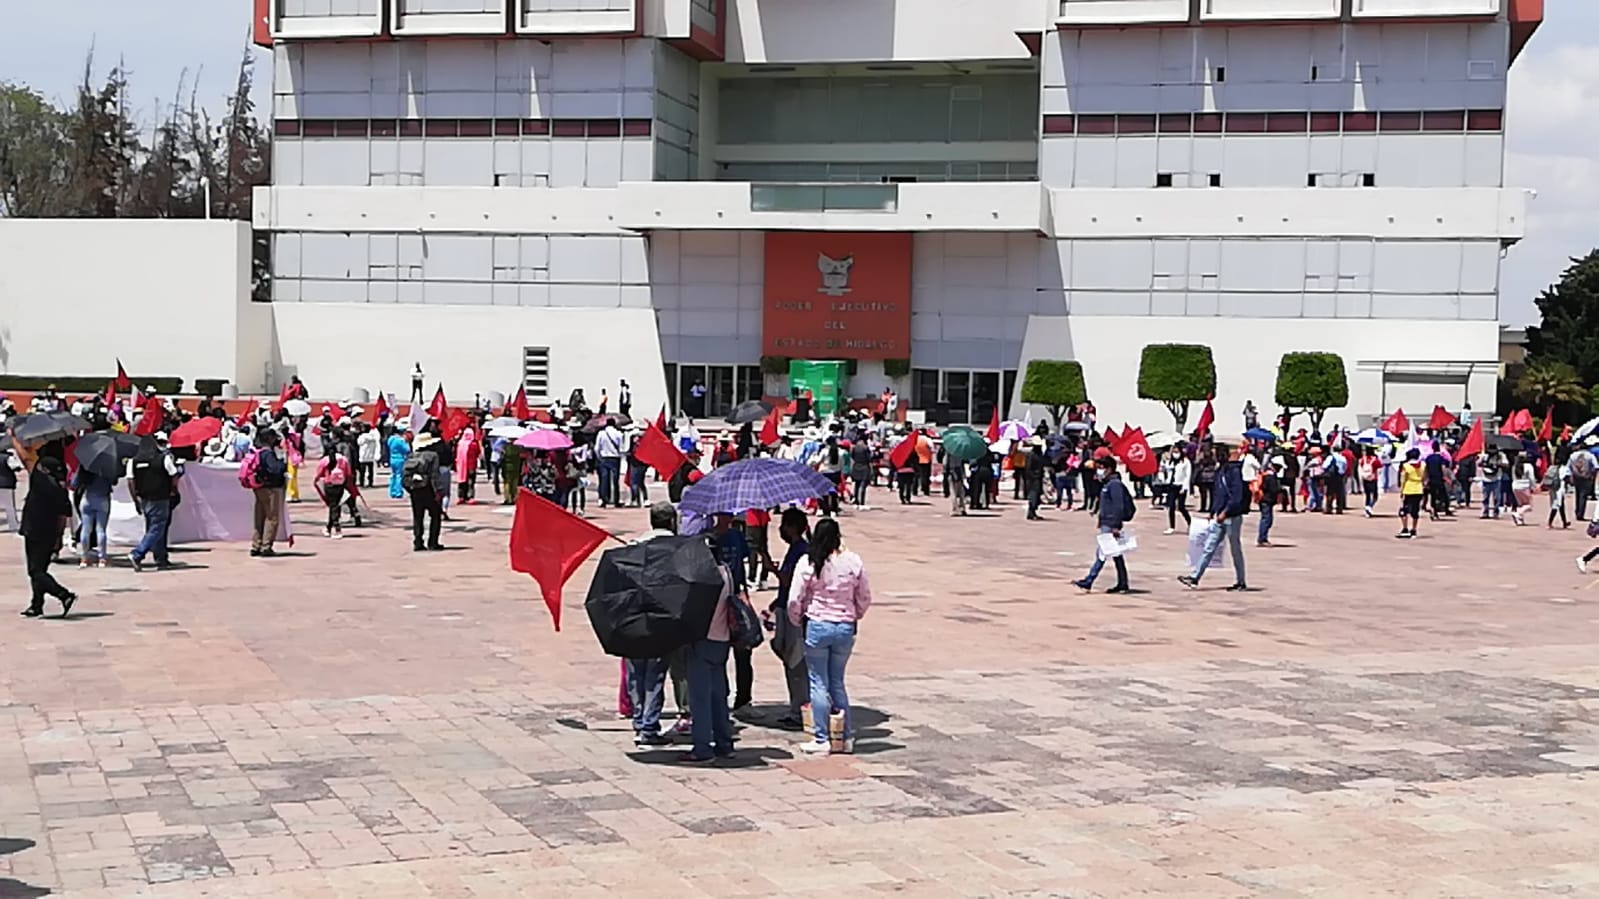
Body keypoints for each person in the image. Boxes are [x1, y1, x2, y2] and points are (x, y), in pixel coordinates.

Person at [789, 518, 872, 755]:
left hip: (818, 624)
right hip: (844, 625)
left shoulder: (809, 562)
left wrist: (797, 619)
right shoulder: (853, 561)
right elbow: (865, 595)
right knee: (837, 681)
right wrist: (855, 614)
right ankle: (844, 737)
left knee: (818, 681)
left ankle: (821, 737)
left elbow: (795, 597)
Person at [625, 503, 681, 747]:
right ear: (671, 522)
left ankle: (640, 722)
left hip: (634, 619)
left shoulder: (633, 548)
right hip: (662, 620)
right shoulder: (678, 549)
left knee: (637, 674)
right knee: (654, 676)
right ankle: (648, 727)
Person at [1179, 444, 1249, 591]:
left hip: (1232, 516)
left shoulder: (1234, 471)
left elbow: (1236, 495)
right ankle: (1194, 577)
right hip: (1219, 517)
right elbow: (1217, 493)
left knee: (1235, 549)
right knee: (1208, 547)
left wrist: (1226, 511)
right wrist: (1213, 511)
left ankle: (1241, 581)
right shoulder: (1220, 471)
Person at [767, 509, 811, 729]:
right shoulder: (796, 549)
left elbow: (788, 580)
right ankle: (797, 707)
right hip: (785, 607)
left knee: (795, 662)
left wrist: (768, 563)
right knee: (788, 657)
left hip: (794, 613)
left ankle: (800, 709)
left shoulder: (800, 552)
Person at [21, 456, 77, 619]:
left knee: (35, 571)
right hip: (49, 534)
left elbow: (25, 458)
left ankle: (64, 595)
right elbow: (62, 517)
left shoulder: (39, 481)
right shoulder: (60, 490)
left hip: (34, 531)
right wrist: (58, 538)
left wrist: (14, 438)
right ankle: (36, 604)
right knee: (40, 569)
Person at [711, 513, 754, 712]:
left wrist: (744, 591)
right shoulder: (709, 538)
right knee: (719, 653)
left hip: (737, 598)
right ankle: (721, 696)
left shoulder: (736, 535)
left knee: (744, 652)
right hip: (717, 600)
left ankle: (743, 699)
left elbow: (741, 565)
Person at [127, 434, 181, 572]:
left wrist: (135, 499)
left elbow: (131, 481)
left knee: (153, 528)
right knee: (157, 529)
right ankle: (138, 554)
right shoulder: (164, 458)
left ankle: (160, 558)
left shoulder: (133, 461)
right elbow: (174, 474)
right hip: (161, 498)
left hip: (144, 498)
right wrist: (173, 490)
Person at [242, 429, 287, 558]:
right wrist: (282, 459)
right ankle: (266, 546)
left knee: (259, 516)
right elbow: (275, 469)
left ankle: (256, 544)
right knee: (272, 517)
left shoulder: (258, 452)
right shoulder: (268, 454)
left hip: (259, 486)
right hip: (271, 487)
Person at [403, 434, 444, 551]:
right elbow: (434, 475)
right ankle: (433, 542)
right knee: (435, 516)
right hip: (429, 489)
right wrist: (438, 491)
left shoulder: (412, 456)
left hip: (415, 489)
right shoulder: (433, 456)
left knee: (418, 517)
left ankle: (418, 542)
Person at [74, 463, 116, 568]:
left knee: (85, 529)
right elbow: (114, 481)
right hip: (102, 498)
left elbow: (74, 482)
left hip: (87, 497)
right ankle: (102, 558)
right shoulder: (108, 466)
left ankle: (84, 557)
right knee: (101, 530)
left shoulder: (86, 465)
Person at [314, 442, 353, 539]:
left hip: (329, 485)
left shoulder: (325, 460)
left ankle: (337, 529)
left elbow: (319, 473)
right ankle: (328, 527)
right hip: (340, 485)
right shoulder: (343, 459)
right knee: (335, 506)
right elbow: (348, 473)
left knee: (333, 506)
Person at [1159, 445, 1191, 535]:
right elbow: (1163, 470)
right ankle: (1171, 526)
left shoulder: (1185, 462)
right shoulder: (1169, 462)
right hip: (1171, 486)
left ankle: (1190, 523)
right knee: (1171, 507)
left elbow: (1187, 476)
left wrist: (1185, 487)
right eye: (1174, 452)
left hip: (1180, 486)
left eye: (1177, 452)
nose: (1175, 454)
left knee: (1181, 507)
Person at [594, 417, 626, 507]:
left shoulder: (601, 433)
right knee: (615, 480)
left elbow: (597, 448)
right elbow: (621, 448)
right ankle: (616, 500)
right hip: (615, 458)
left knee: (604, 479)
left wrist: (599, 456)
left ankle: (603, 499)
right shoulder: (618, 434)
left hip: (604, 457)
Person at [1396, 447, 1426, 538]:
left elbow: (1403, 479)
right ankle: (1414, 529)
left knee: (1403, 510)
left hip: (1408, 489)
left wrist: (1401, 491)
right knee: (1415, 511)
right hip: (1419, 489)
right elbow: (1424, 477)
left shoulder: (1406, 466)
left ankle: (1405, 528)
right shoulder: (1423, 465)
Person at [1257, 461, 1282, 546]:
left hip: (1267, 500)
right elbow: (1273, 489)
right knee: (1266, 520)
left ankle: (1263, 538)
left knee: (1268, 520)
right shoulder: (1269, 477)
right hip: (1266, 500)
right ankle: (1262, 539)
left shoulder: (1268, 476)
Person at [0, 445, 22, 532]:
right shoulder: (7, 458)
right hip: (6, 484)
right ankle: (13, 525)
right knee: (9, 506)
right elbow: (16, 467)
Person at [387, 425, 412, 498]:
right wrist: (406, 442)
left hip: (392, 458)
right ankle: (398, 492)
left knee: (393, 475)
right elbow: (407, 450)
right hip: (400, 459)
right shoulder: (400, 440)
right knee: (399, 476)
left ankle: (392, 491)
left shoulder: (391, 439)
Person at [357, 423, 381, 489]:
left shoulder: (362, 437)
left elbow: (359, 443)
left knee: (362, 472)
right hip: (370, 456)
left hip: (363, 457)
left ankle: (362, 483)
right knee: (370, 471)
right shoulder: (373, 437)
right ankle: (370, 483)